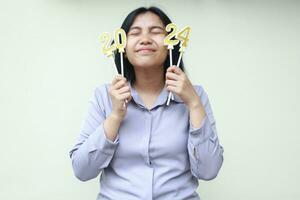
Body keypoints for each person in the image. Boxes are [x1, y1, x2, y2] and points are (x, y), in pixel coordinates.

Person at [69, 6, 224, 200]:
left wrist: (193, 103)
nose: (145, 39)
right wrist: (115, 116)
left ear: (171, 45)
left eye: (156, 32)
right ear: (122, 48)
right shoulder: (103, 96)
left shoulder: (195, 95)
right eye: (135, 33)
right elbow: (82, 170)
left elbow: (209, 170)